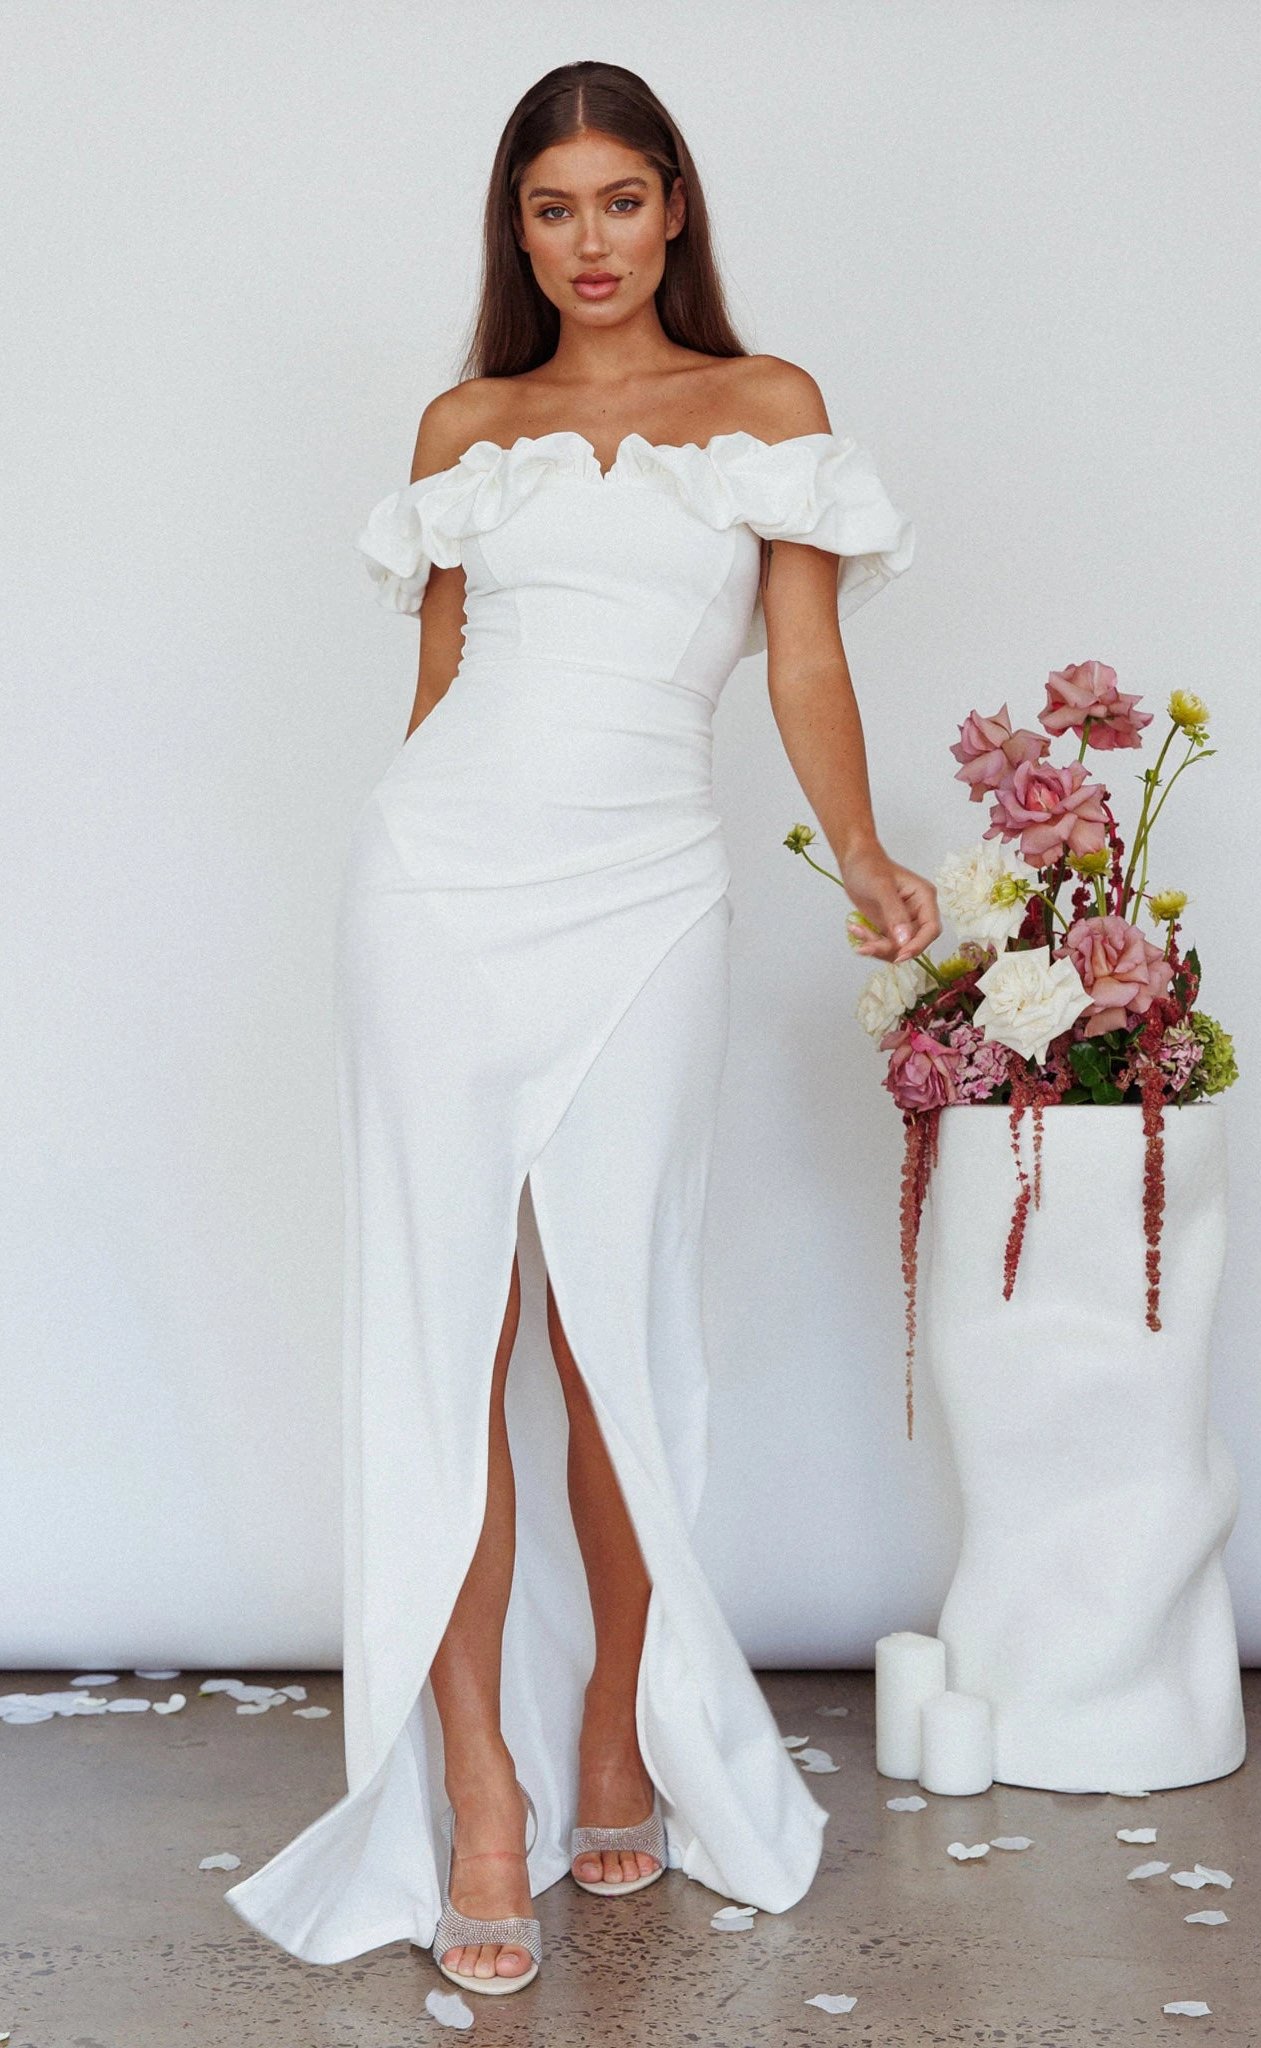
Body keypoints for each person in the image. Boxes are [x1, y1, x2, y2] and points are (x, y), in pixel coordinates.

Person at [225, 58, 939, 1996]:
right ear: (517, 231)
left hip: (647, 893)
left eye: (621, 200)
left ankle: (617, 1721)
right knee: (444, 1329)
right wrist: (401, 890)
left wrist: (861, 848)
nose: (590, 240)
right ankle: (482, 1790)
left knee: (612, 1329)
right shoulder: (471, 426)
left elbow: (801, 658)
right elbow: (440, 681)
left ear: (675, 206)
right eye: (554, 209)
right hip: (436, 885)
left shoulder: (766, 407)